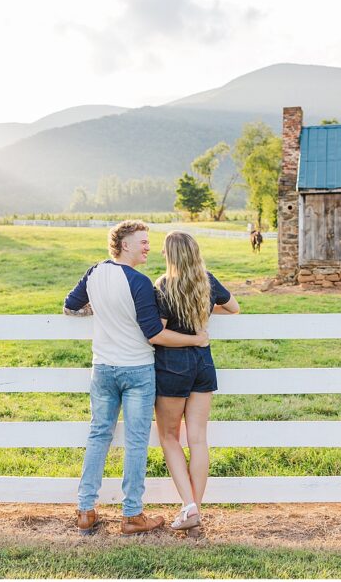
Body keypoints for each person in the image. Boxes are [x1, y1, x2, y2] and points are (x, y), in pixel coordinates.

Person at [63, 220, 209, 536]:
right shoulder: (141, 283)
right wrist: (197, 340)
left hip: (102, 368)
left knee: (98, 435)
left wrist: (98, 310)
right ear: (124, 244)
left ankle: (86, 510)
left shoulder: (94, 273)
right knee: (136, 440)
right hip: (137, 371)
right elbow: (154, 331)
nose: (147, 247)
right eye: (142, 242)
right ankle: (131, 514)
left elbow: (70, 307)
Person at [153, 230, 239, 532]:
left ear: (170, 255)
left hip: (173, 367)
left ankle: (189, 506)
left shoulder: (163, 286)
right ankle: (195, 509)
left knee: (169, 438)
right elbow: (234, 307)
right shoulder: (207, 281)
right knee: (199, 438)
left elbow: (160, 332)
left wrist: (190, 336)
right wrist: (203, 309)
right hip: (203, 365)